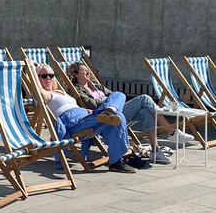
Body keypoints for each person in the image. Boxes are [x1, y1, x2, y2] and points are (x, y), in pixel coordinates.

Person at [66, 61, 196, 165]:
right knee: (145, 98)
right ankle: (172, 132)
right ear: (76, 74)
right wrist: (107, 101)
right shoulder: (77, 90)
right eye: (85, 70)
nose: (88, 72)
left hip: (115, 112)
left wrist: (111, 101)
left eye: (88, 70)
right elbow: (91, 104)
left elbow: (113, 96)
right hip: (102, 117)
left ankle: (155, 150)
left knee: (145, 111)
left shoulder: (95, 85)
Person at [30, 62, 141, 173]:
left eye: (51, 75)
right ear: (38, 79)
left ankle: (109, 111)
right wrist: (31, 68)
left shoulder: (59, 91)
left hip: (85, 115)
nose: (48, 78)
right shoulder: (45, 95)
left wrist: (90, 111)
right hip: (73, 123)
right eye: (44, 76)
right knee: (118, 116)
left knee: (119, 95)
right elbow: (38, 90)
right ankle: (116, 161)